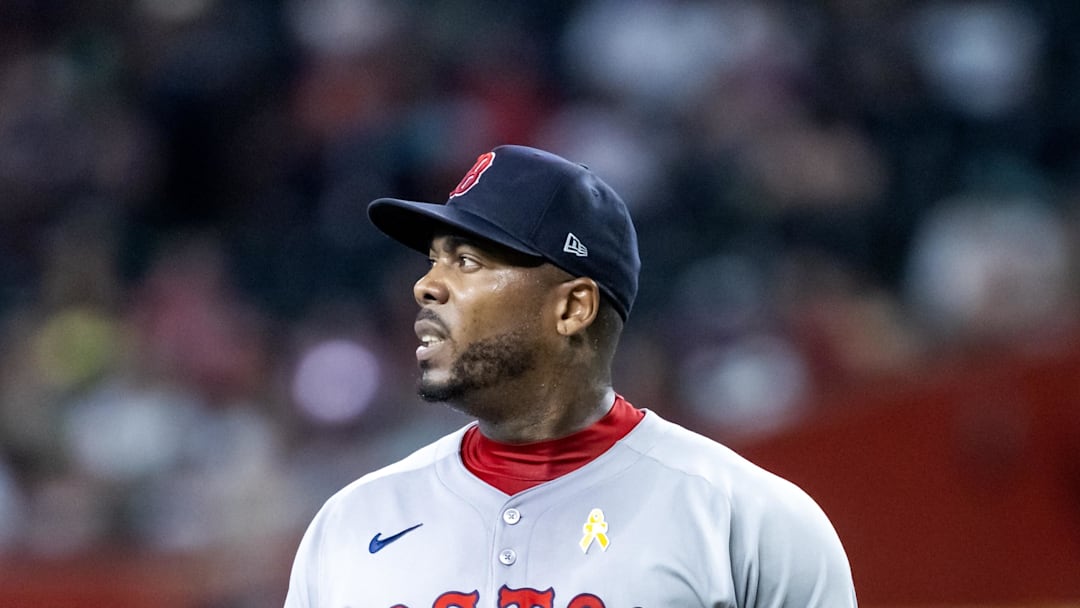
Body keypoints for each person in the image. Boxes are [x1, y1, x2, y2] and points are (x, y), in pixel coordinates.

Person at [284, 144, 857, 607]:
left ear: (572, 308)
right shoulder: (351, 524)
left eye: (467, 261)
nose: (426, 285)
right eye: (433, 260)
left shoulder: (746, 521)